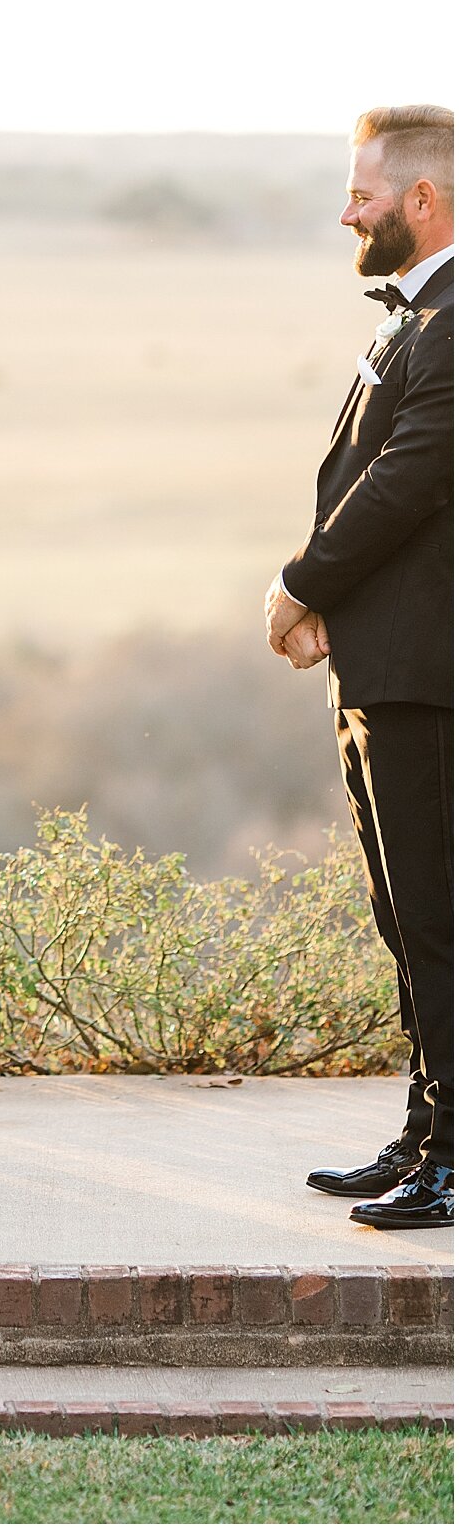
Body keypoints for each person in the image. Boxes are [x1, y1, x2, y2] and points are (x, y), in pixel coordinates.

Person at [266, 105, 453, 1230]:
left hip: (434, 668)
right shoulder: (417, 314)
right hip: (386, 663)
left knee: (440, 914)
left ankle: (456, 1155)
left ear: (421, 200)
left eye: (363, 192)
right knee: (403, 910)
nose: (349, 211)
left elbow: (408, 476)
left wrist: (302, 585)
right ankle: (430, 1124)